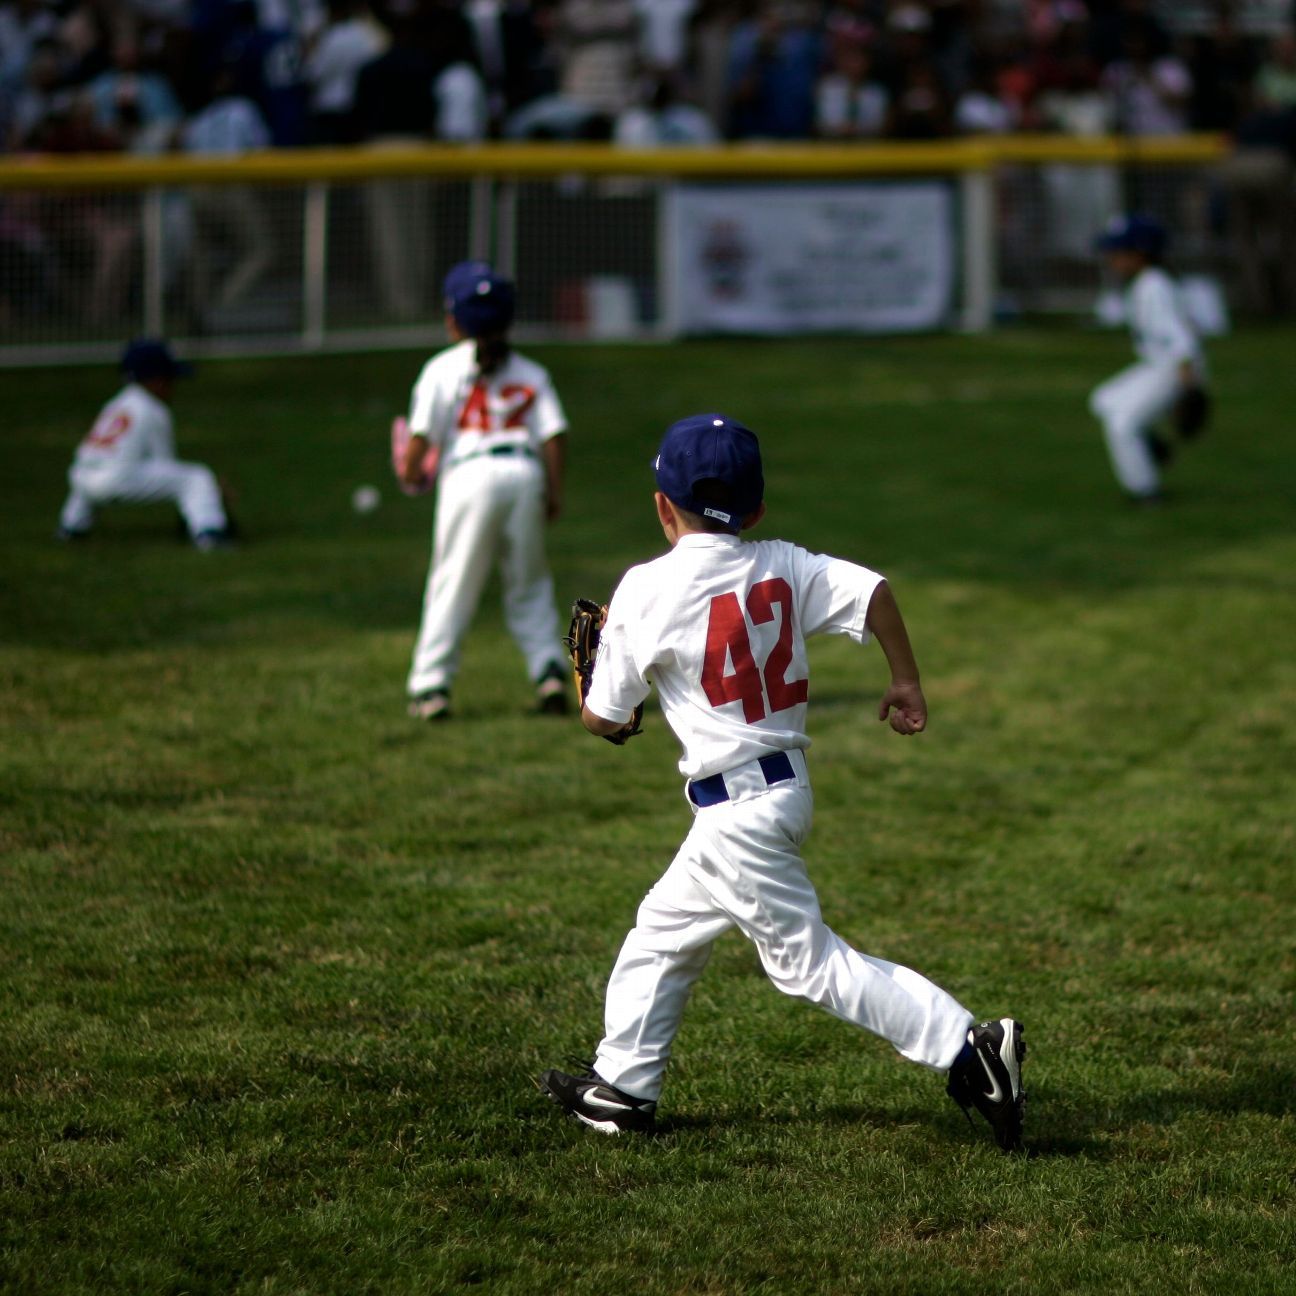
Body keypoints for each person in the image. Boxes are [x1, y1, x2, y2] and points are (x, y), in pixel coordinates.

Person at [538, 414, 1027, 1152]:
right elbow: (874, 593)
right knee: (665, 930)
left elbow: (605, 720)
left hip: (736, 809)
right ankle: (624, 1085)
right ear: (757, 510)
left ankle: (969, 1049)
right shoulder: (784, 564)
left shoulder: (645, 587)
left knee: (809, 966)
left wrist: (589, 666)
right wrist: (906, 680)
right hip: (779, 793)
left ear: (661, 505)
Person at [402, 261, 570, 721]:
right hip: (524, 474)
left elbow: (421, 435)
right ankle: (549, 672)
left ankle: (431, 685)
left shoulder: (442, 369)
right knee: (530, 581)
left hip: (469, 477)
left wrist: (411, 471)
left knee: (453, 582)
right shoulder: (531, 372)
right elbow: (553, 435)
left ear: (452, 318)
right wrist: (553, 492)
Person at [57, 339, 234, 549]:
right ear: (157, 381)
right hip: (116, 481)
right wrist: (213, 491)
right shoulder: (153, 408)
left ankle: (70, 527)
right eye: (169, 380)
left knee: (94, 468)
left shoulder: (116, 404)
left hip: (81, 479)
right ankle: (210, 533)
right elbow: (166, 465)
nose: (172, 387)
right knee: (196, 477)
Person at [1089, 215, 1208, 504]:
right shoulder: (1147, 282)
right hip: (1159, 364)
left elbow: (1181, 339)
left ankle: (1145, 492)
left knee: (1122, 424)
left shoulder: (1154, 287)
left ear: (1140, 254)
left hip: (1175, 368)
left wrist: (1188, 387)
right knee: (1103, 400)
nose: (1110, 257)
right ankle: (1152, 446)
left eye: (1118, 251)